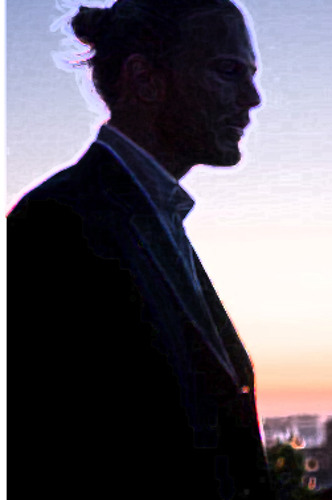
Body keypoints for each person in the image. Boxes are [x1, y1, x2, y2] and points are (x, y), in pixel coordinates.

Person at [7, 1, 274, 498]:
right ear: (145, 79)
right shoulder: (57, 224)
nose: (252, 98)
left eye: (250, 75)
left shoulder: (145, 217)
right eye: (228, 71)